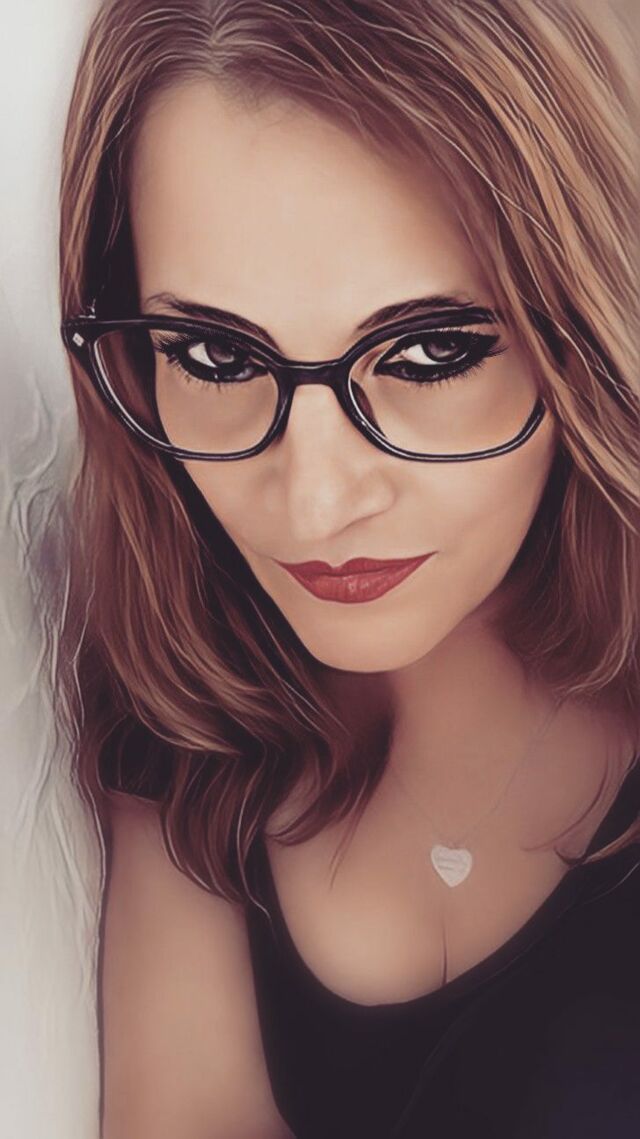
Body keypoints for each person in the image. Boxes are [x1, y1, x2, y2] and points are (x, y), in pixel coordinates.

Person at [57, 1, 639, 1136]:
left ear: (592, 322)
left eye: (430, 352)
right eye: (215, 354)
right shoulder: (183, 728)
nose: (315, 502)